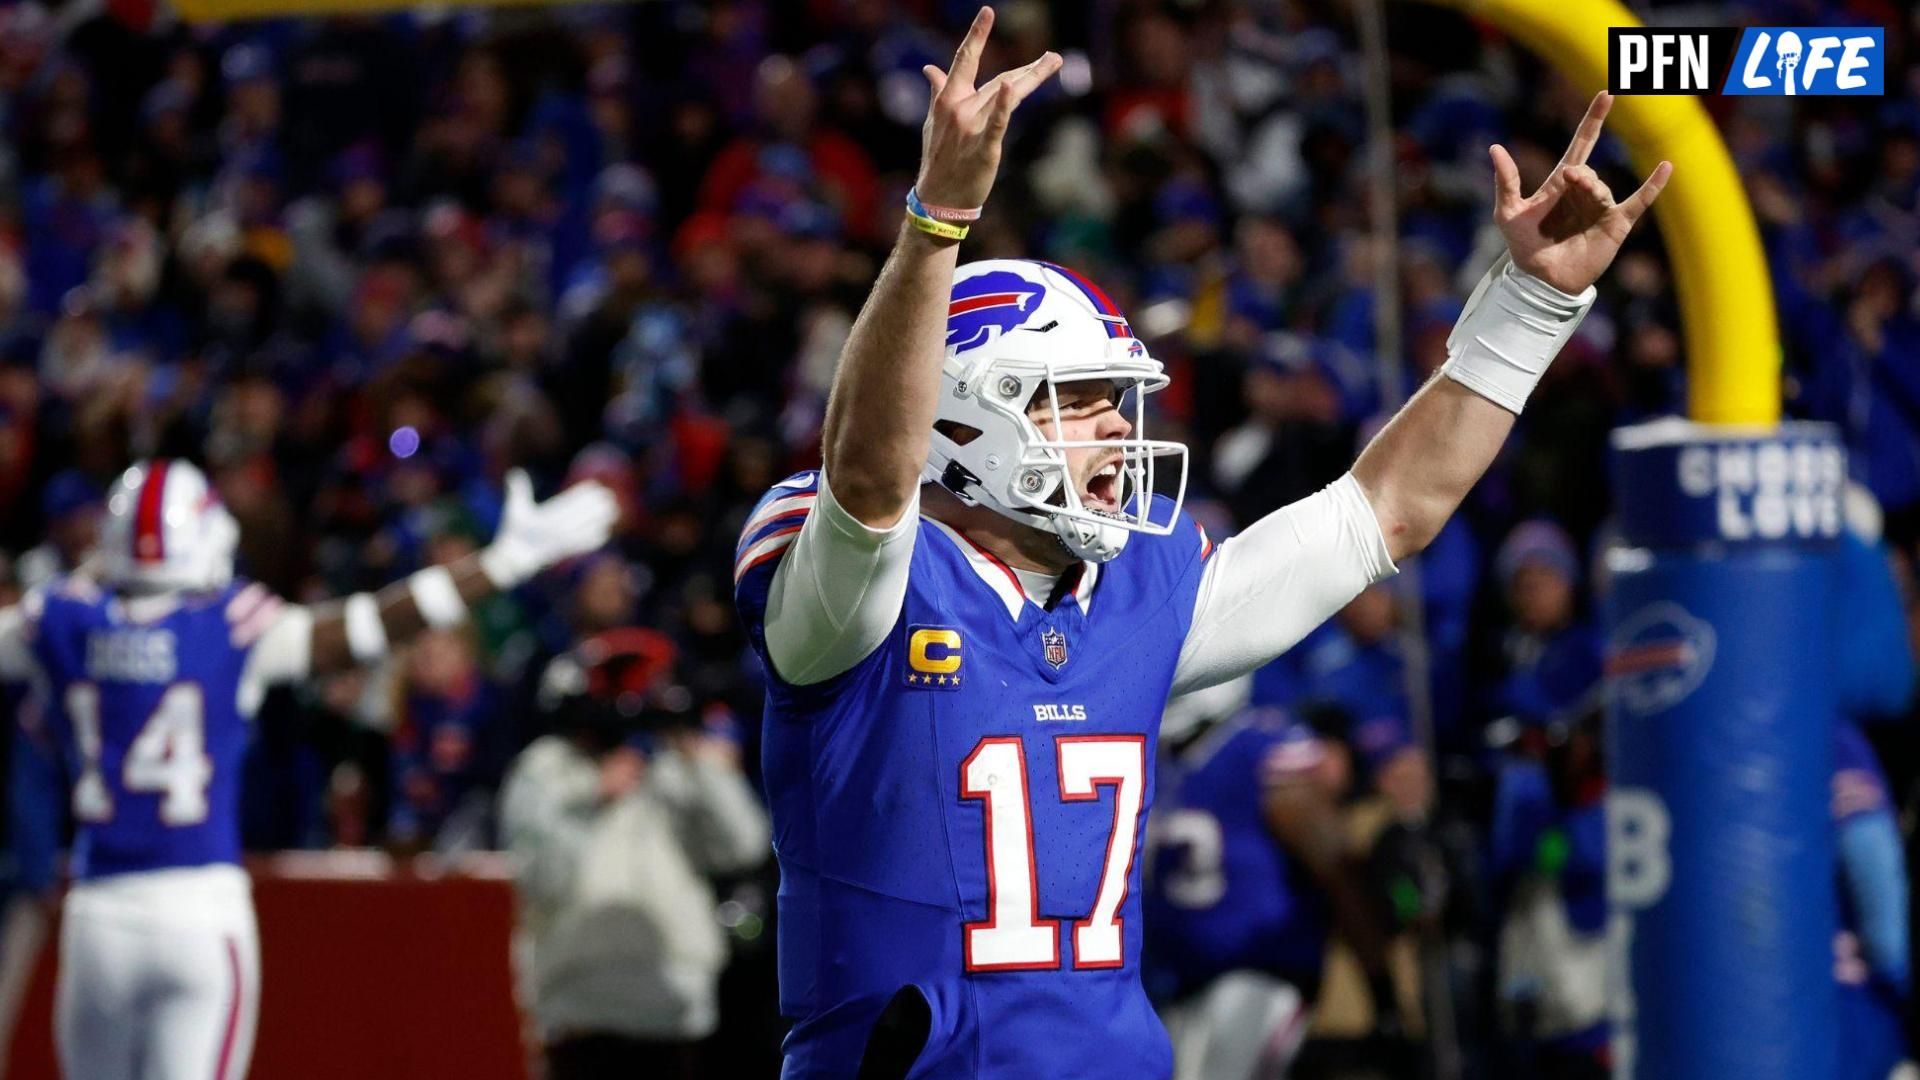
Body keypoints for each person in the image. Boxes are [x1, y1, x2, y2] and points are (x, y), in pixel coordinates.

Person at [730, 8, 1670, 1075]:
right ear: (958, 415)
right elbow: (868, 480)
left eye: (1116, 402)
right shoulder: (863, 590)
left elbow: (1388, 510)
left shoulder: (1137, 593)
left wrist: (1533, 307)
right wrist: (937, 221)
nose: (1116, 431)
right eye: (1076, 400)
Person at [0, 458, 615, 1080]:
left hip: (98, 911)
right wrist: (504, 562)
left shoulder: (59, 622)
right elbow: (371, 624)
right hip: (198, 909)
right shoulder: (231, 625)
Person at [501, 627, 770, 1080]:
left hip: (674, 1003)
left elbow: (743, 846)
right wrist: (592, 798)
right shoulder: (544, 768)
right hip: (580, 1003)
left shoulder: (671, 765)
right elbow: (539, 878)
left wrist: (698, 760)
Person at [1142, 680, 1399, 1080]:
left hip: (1258, 978)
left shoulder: (1261, 748)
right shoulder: (1158, 757)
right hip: (1175, 984)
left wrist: (1382, 992)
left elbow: (1336, 867)